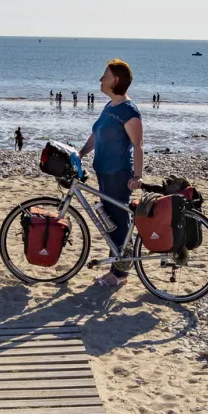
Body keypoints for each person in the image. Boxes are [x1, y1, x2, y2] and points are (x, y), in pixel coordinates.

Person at [78, 58, 143, 289]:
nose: (100, 78)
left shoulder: (129, 111)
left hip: (118, 174)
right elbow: (97, 135)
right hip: (104, 173)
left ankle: (120, 274)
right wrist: (81, 152)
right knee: (111, 223)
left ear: (115, 80)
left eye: (104, 75)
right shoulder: (110, 106)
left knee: (118, 222)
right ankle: (115, 269)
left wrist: (137, 176)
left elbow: (137, 145)